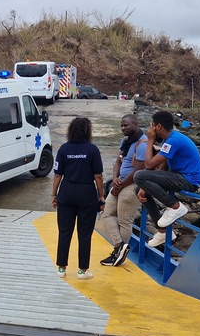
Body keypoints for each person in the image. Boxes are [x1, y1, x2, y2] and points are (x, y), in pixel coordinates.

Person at [133, 110, 200, 246]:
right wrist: (145, 186)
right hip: (179, 176)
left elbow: (148, 165)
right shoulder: (170, 140)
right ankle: (163, 232)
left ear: (158, 126)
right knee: (139, 188)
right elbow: (163, 167)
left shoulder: (174, 140)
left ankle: (175, 206)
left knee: (139, 175)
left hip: (188, 180)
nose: (150, 129)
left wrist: (150, 140)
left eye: (151, 125)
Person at [51, 117, 105, 280]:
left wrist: (54, 195)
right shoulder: (92, 150)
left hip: (66, 192)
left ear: (71, 131)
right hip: (86, 193)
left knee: (64, 231)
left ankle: (61, 268)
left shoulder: (63, 149)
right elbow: (98, 176)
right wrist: (101, 196)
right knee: (84, 233)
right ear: (88, 131)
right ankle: (82, 270)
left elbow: (57, 174)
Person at [99, 114, 148, 267]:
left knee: (124, 221)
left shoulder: (143, 144)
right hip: (119, 182)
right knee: (106, 213)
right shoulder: (125, 141)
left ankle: (118, 255)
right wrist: (115, 178)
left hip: (132, 185)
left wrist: (120, 185)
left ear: (135, 124)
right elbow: (118, 162)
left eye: (126, 125)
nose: (123, 128)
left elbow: (139, 171)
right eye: (121, 125)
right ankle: (119, 246)